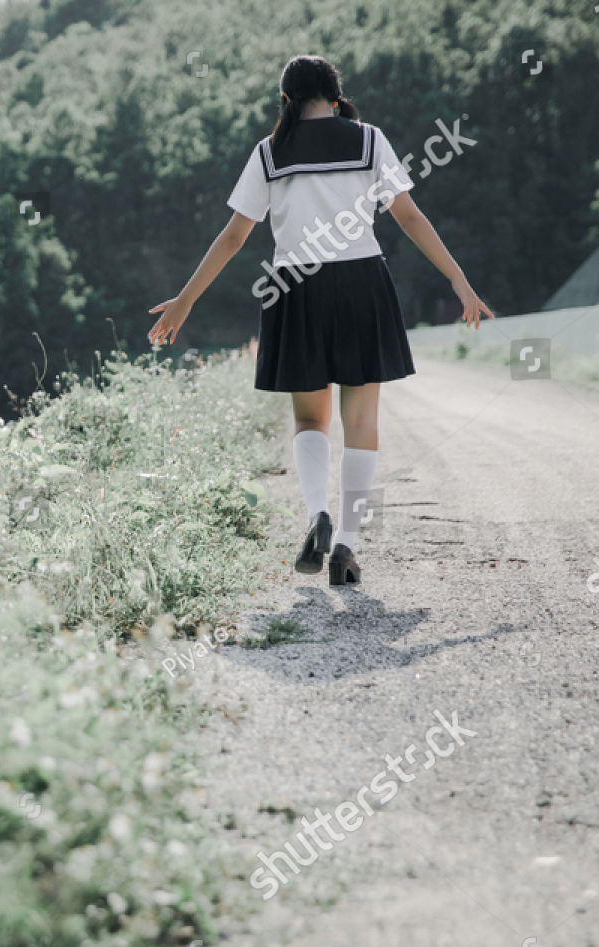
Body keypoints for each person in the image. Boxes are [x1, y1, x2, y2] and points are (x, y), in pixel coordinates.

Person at [148, 55, 492, 585]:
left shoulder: (270, 152)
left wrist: (185, 300)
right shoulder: (368, 140)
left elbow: (234, 237)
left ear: (285, 102)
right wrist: (459, 280)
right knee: (361, 422)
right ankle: (346, 547)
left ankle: (318, 516)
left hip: (295, 287)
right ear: (334, 97)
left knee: (310, 420)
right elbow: (408, 216)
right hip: (361, 282)